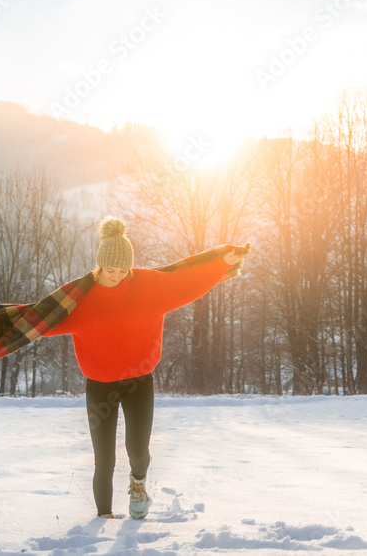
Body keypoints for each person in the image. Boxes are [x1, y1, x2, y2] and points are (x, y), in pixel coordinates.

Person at [42, 216, 250, 520]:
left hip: (139, 383)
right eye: (110, 270)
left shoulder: (148, 286)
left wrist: (224, 262)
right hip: (99, 387)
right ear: (99, 265)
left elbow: (185, 279)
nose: (116, 276)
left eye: (123, 270)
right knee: (104, 461)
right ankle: (103, 519)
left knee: (137, 451)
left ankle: (138, 483)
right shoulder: (79, 298)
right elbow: (36, 321)